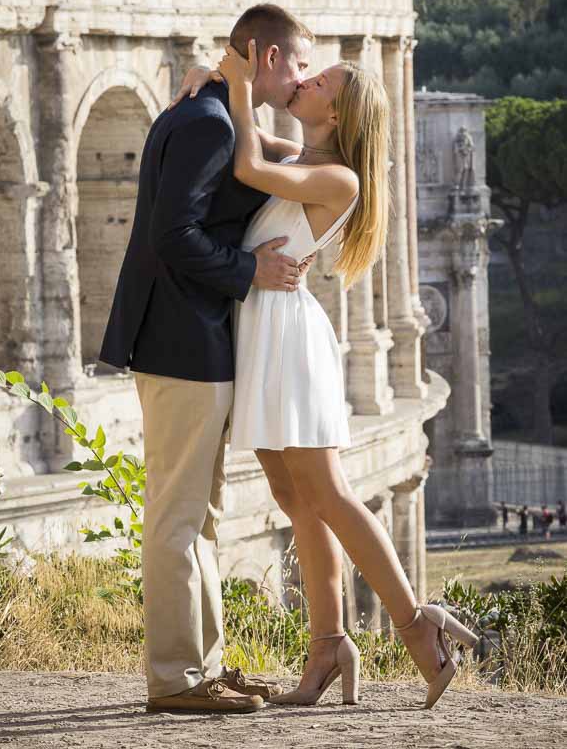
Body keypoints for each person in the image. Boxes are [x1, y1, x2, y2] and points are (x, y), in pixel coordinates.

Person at [171, 39, 478, 711]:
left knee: (328, 493)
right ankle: (328, 645)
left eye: (319, 83)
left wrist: (239, 84)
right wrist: (213, 84)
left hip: (286, 338)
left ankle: (414, 625)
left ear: (336, 116)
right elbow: (246, 145)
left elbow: (246, 162)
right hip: (265, 330)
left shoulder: (338, 178)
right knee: (294, 498)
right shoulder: (303, 158)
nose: (303, 81)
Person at [99, 4, 315, 713]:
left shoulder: (220, 114)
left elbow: (296, 160)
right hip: (180, 340)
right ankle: (174, 679)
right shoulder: (207, 122)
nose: (301, 79)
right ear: (264, 53)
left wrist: (226, 80)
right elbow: (172, 235)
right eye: (298, 64)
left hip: (197, 339)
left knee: (203, 512)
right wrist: (248, 270)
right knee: (177, 513)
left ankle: (203, 667)